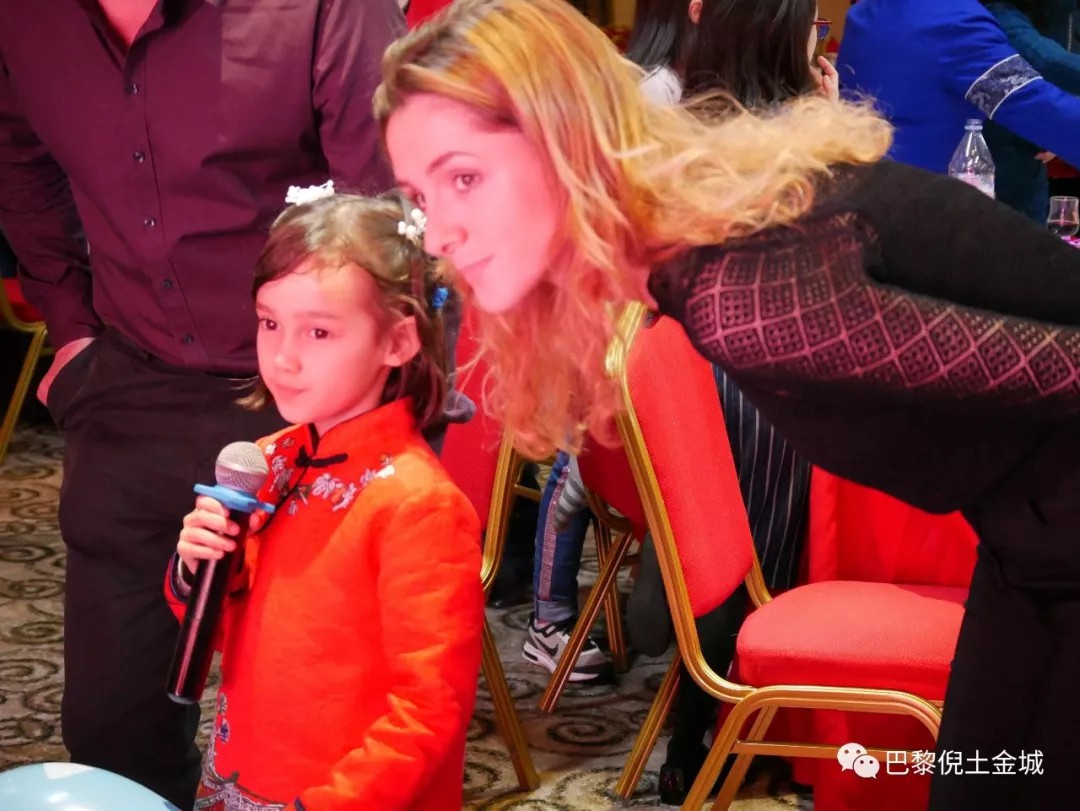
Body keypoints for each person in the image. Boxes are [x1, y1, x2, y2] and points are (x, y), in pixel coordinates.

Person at [375, 1, 1080, 808]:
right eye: (422, 195)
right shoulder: (708, 244)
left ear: (565, 142)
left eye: (464, 178)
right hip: (1031, 549)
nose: (440, 235)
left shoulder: (745, 291)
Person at [0, 2, 402, 805]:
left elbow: (392, 213)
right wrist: (71, 332)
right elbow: (19, 160)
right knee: (112, 733)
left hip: (312, 391)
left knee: (323, 728)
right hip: (129, 376)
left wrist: (363, 402)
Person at [168, 190, 484, 811]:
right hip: (249, 766)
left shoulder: (419, 504)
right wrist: (197, 570)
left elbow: (428, 708)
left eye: (318, 331)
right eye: (269, 323)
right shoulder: (271, 460)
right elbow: (228, 633)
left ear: (397, 341)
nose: (283, 357)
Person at [838, 0, 1080, 177]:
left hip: (859, 186)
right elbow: (1030, 102)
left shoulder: (864, 11)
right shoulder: (952, 20)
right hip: (919, 202)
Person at [982, 0, 1080, 221]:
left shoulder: (1065, 10)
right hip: (992, 154)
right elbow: (1048, 61)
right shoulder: (997, 10)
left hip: (1033, 154)